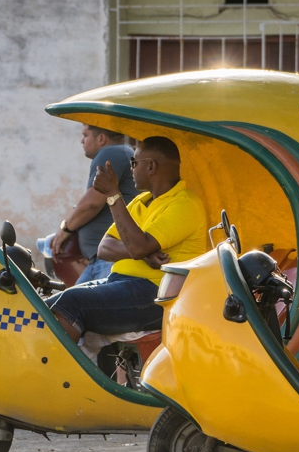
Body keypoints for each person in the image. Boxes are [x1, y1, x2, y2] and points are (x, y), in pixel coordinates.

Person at [49, 136, 207, 343]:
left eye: (134, 163)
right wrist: (143, 253)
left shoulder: (185, 204)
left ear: (150, 166)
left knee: (69, 303)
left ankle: (59, 369)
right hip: (122, 283)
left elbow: (138, 246)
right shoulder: (140, 201)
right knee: (49, 305)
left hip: (156, 294)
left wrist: (113, 195)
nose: (131, 168)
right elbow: (104, 247)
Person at [47, 126, 137, 282]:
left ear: (101, 138)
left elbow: (93, 203)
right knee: (69, 304)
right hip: (101, 260)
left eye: (85, 135)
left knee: (79, 305)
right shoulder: (121, 152)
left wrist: (66, 228)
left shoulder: (111, 152)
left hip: (110, 261)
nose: (82, 140)